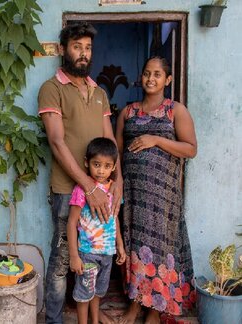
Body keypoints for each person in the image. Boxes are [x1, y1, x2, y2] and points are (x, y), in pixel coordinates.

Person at [38, 22, 123, 324]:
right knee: (63, 259)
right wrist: (88, 186)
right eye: (77, 47)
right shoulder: (51, 89)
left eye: (87, 48)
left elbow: (110, 141)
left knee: (97, 254)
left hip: (100, 189)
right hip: (68, 191)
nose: (83, 53)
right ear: (63, 50)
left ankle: (93, 315)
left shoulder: (98, 91)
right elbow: (57, 142)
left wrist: (118, 180)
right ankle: (55, 320)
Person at [115, 56, 197, 324]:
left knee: (159, 249)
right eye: (147, 73)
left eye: (157, 74)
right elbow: (116, 151)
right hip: (135, 194)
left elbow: (190, 149)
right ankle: (135, 305)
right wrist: (116, 182)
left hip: (163, 196)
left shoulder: (176, 110)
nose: (151, 79)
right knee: (135, 246)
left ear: (168, 80)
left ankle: (154, 309)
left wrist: (155, 140)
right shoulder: (127, 112)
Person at [67, 137, 126, 324]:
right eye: (96, 164)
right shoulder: (82, 190)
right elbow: (71, 223)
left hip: (107, 254)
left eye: (107, 166)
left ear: (114, 167)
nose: (101, 170)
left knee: (98, 292)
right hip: (87, 254)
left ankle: (95, 320)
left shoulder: (114, 191)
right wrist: (74, 256)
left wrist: (120, 246)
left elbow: (114, 219)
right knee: (84, 294)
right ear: (87, 162)